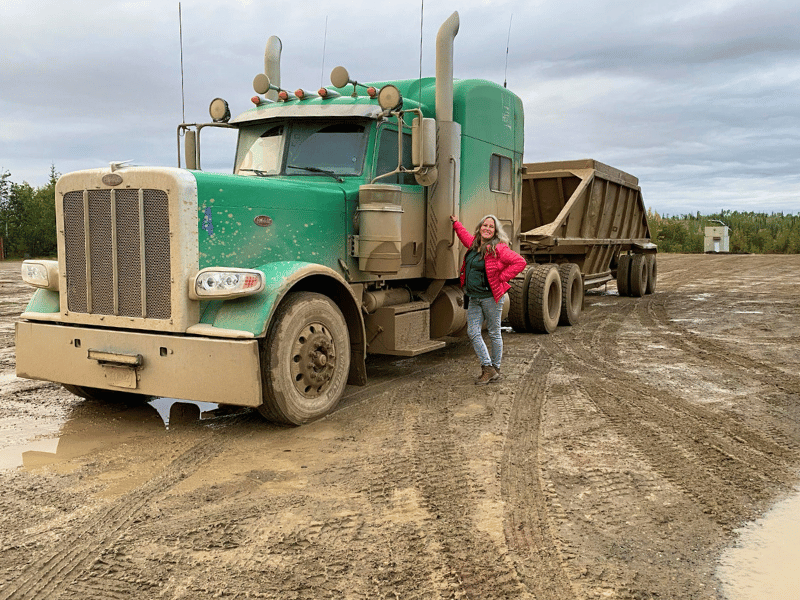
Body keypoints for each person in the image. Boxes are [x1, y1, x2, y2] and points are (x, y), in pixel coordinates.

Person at [450, 214, 527, 384]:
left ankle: (495, 367)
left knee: (494, 332)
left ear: (495, 231)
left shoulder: (498, 248)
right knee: (472, 332)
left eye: (491, 227)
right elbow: (464, 235)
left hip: (491, 298)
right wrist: (456, 223)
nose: (487, 229)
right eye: (485, 225)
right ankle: (488, 367)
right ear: (479, 228)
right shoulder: (473, 244)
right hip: (473, 297)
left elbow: (520, 262)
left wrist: (501, 277)